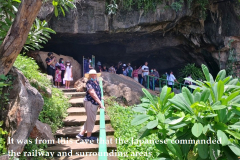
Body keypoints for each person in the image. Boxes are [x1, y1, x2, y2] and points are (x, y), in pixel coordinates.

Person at [76, 69, 105, 141]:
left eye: (94, 74)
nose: (93, 76)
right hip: (90, 102)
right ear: (89, 76)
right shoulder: (89, 83)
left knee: (90, 119)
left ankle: (81, 134)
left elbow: (97, 92)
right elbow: (92, 93)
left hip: (93, 103)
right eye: (92, 75)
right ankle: (88, 137)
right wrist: (100, 103)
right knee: (91, 120)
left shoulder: (96, 82)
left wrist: (100, 97)